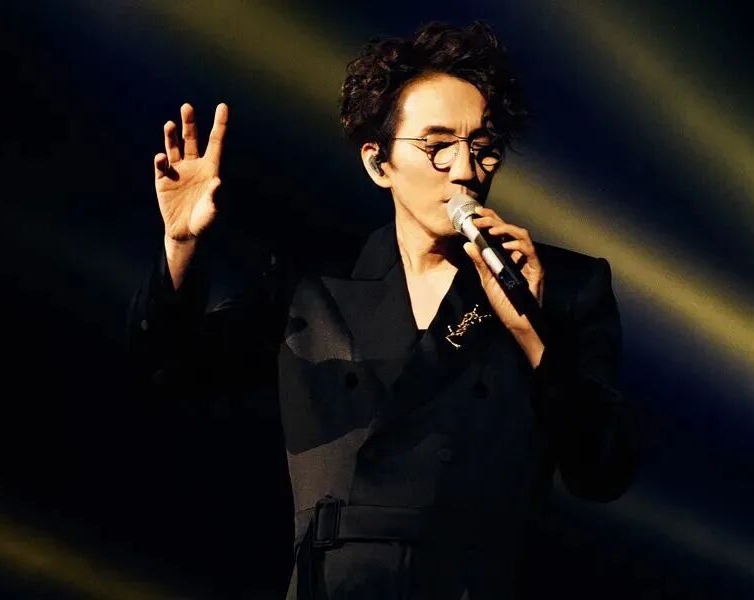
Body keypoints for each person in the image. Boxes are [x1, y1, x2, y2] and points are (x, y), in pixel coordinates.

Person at [128, 20, 640, 599]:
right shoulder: (315, 283)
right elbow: (167, 370)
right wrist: (180, 245)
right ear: (379, 163)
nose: (465, 170)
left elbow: (604, 470)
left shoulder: (562, 286)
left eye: (483, 149)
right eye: (437, 147)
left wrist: (531, 330)